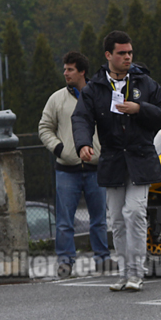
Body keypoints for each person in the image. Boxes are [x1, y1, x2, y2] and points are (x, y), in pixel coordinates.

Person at [72, 31, 161, 291]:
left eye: (130, 53)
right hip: (113, 160)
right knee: (116, 218)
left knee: (135, 212)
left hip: (141, 158)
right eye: (121, 53)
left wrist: (141, 109)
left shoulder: (146, 83)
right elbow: (81, 118)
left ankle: (137, 274)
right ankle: (124, 273)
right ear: (108, 56)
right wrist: (83, 144)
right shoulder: (94, 88)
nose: (127, 57)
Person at [38, 51, 111, 278]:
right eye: (64, 69)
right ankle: (65, 262)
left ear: (82, 71)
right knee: (64, 221)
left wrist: (104, 150)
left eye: (70, 69)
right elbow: (44, 128)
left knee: (99, 219)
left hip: (96, 168)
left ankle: (103, 259)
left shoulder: (100, 95)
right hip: (66, 169)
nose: (65, 73)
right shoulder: (56, 99)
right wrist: (60, 149)